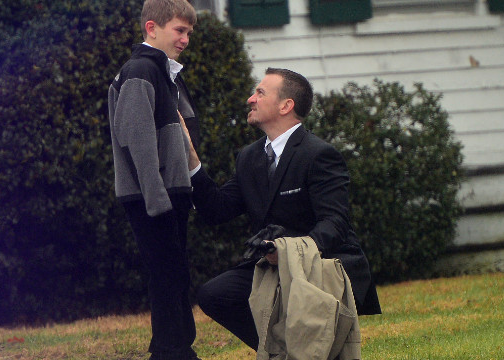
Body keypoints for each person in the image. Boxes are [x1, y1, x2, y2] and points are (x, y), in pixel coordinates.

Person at [183, 68, 381, 351]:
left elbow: (334, 222)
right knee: (215, 294)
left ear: (286, 105)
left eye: (260, 92)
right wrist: (191, 159)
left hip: (321, 264)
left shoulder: (319, 154)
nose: (251, 99)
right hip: (272, 267)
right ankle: (281, 352)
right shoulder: (249, 157)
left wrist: (291, 253)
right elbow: (217, 210)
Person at [107, 1, 200, 359]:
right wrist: (157, 198)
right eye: (179, 30)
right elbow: (136, 139)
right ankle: (172, 352)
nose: (186, 39)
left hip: (168, 193)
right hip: (152, 197)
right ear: (152, 28)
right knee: (167, 276)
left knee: (174, 276)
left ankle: (172, 349)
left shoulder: (164, 73)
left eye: (189, 32)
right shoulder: (139, 71)